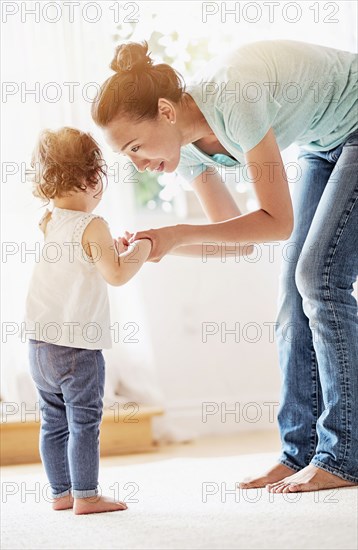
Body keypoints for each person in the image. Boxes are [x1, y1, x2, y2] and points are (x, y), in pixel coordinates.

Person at [91, 39, 358, 492]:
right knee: (293, 292)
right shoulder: (185, 150)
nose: (139, 163)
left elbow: (276, 222)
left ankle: (345, 454)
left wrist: (177, 233)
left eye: (136, 146)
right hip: (324, 141)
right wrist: (161, 244)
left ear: (167, 111)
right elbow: (236, 240)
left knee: (318, 277)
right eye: (128, 156)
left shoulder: (233, 96)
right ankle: (297, 454)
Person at [22, 127, 152, 513]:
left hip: (39, 345)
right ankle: (87, 496)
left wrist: (110, 250)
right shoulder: (94, 225)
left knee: (53, 422)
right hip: (77, 348)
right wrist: (141, 249)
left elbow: (81, 261)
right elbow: (115, 274)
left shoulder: (49, 220)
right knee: (84, 424)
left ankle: (61, 494)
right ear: (92, 177)